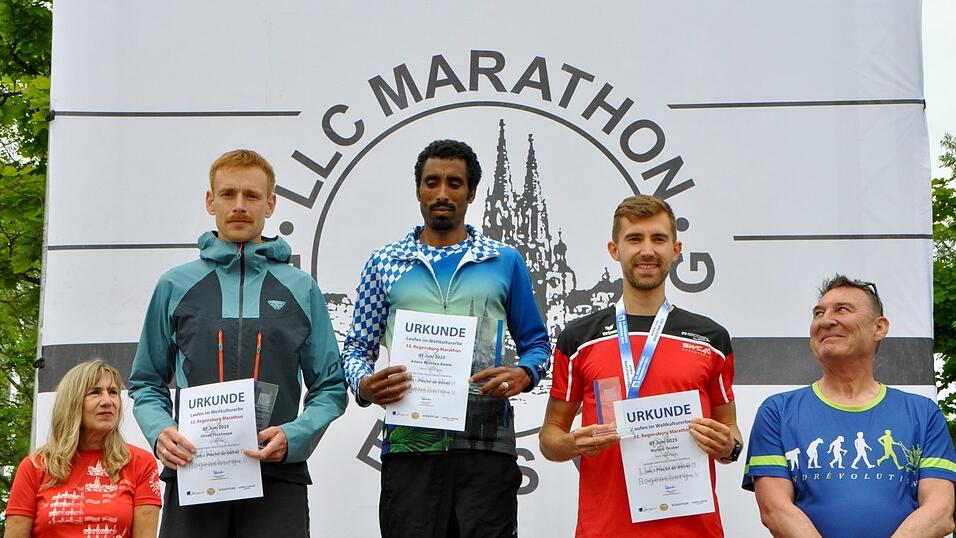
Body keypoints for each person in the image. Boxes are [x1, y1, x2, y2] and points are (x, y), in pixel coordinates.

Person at [128, 149, 347, 538]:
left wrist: (294, 437)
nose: (240, 206)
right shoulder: (174, 285)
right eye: (228, 194)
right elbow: (146, 381)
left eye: (252, 195)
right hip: (194, 471)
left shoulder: (301, 288)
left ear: (271, 203)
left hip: (277, 475)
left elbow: (330, 387)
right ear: (210, 201)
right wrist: (161, 431)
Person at [341, 139, 551, 538]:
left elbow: (538, 345)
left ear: (471, 193)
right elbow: (356, 347)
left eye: (454, 184)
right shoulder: (384, 261)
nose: (441, 193)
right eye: (431, 182)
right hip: (411, 444)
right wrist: (364, 385)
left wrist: (525, 374)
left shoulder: (504, 260)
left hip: (486, 444)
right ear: (418, 189)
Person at [539, 195, 741, 537]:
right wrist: (573, 444)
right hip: (605, 529)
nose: (647, 250)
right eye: (634, 239)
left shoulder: (712, 339)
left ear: (676, 250)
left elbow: (731, 433)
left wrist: (729, 447)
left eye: (658, 239)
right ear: (614, 249)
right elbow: (549, 438)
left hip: (693, 530)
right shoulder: (578, 338)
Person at [742, 275, 956, 537]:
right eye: (818, 313)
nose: (825, 320)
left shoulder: (923, 413)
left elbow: (940, 510)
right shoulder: (777, 411)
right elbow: (775, 510)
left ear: (879, 328)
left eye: (842, 310)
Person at [5, 360, 161, 537]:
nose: (107, 401)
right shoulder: (34, 466)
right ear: (72, 402)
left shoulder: (141, 463)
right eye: (95, 392)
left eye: (113, 392)